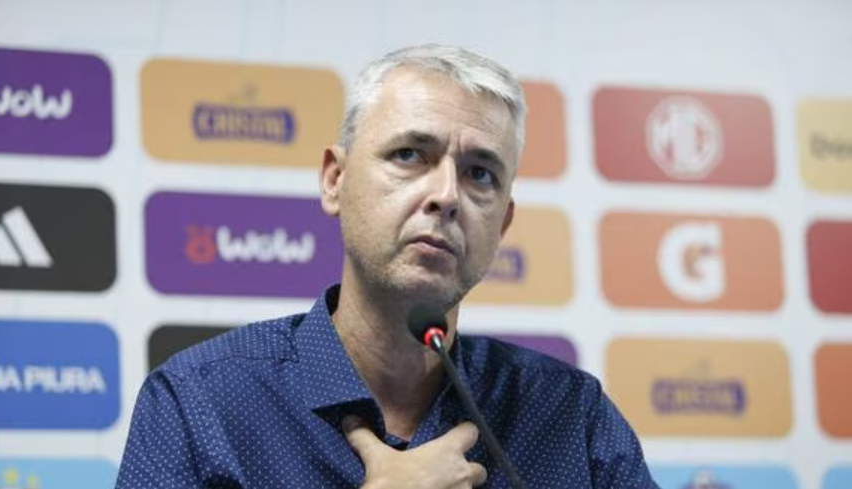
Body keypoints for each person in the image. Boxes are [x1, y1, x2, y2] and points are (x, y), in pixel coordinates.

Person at [116, 44, 658, 488]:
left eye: (480, 174)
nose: (447, 195)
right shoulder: (200, 401)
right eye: (409, 155)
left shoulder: (571, 415)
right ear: (335, 180)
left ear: (503, 224)